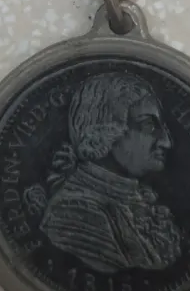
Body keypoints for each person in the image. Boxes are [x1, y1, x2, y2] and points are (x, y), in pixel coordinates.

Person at [38, 72, 181, 273]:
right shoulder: (76, 212)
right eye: (148, 126)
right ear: (105, 130)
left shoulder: (135, 200)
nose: (166, 142)